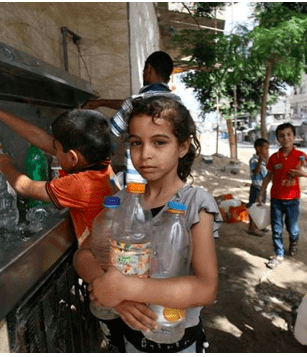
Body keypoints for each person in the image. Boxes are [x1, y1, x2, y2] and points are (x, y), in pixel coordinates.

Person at [73, 96, 223, 353]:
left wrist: (127, 288)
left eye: (159, 142)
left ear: (183, 147)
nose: (145, 154)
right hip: (128, 336)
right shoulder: (122, 201)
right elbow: (83, 255)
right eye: (135, 143)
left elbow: (206, 288)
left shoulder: (196, 203)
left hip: (174, 339)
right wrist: (115, 297)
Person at [0, 92, 118, 245]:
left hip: (97, 257)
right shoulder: (102, 166)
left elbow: (26, 187)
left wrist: (4, 165)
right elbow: (41, 138)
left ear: (72, 158)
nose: (53, 151)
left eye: (56, 149)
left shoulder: (82, 184)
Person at [83, 51, 181, 184]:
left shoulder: (134, 102)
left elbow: (111, 132)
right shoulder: (178, 104)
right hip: (166, 183)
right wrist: (100, 102)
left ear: (148, 69)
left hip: (137, 183)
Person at [256, 123, 307, 269]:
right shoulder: (274, 158)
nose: (285, 138)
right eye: (282, 135)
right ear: (278, 139)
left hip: (293, 200)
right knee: (277, 229)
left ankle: (294, 241)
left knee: (292, 228)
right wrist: (261, 193)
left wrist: (304, 173)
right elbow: (268, 175)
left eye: (289, 134)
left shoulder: (301, 156)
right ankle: (279, 254)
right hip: (276, 200)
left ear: (294, 136)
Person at [247, 138, 270, 236]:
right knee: (253, 206)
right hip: (256, 187)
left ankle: (259, 225)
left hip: (262, 188)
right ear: (258, 148)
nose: (267, 151)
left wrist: (265, 159)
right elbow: (255, 172)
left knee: (261, 206)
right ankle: (252, 227)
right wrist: (260, 162)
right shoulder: (254, 160)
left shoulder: (264, 160)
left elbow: (269, 170)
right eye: (266, 148)